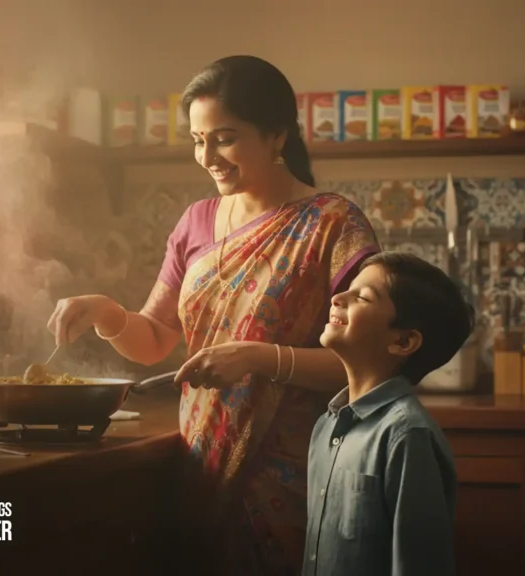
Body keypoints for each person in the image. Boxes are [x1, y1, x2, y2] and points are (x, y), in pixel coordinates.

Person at [47, 55, 380, 574]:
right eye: (197, 140)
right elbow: (156, 337)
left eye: (224, 138)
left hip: (296, 472)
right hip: (200, 465)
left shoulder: (333, 224)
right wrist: (108, 314)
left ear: (276, 135)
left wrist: (256, 357)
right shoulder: (196, 221)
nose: (207, 157)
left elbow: (368, 367)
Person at [302, 252, 473, 576]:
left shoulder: (406, 436)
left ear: (403, 340)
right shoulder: (326, 424)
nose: (338, 297)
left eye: (362, 297)